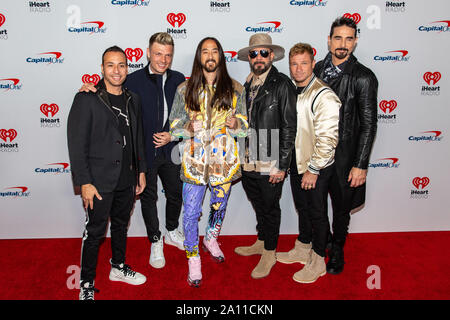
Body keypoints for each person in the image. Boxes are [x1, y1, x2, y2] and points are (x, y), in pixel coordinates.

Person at [79, 33, 186, 269]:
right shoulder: (133, 78)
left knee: (176, 193)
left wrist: (174, 134)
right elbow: (109, 88)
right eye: (158, 54)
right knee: (148, 197)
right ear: (148, 53)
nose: (163, 59)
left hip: (172, 149)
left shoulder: (179, 79)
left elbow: (188, 113)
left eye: (168, 55)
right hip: (144, 152)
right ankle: (155, 239)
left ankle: (171, 229)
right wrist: (91, 87)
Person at [67, 46, 147, 300]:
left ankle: (118, 267)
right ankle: (86, 283)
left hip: (127, 177)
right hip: (99, 180)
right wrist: (84, 182)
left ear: (127, 68)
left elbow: (138, 138)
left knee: (121, 226)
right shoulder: (87, 98)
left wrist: (141, 171)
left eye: (121, 65)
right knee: (94, 232)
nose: (116, 70)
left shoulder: (133, 98)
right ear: (101, 68)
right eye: (110, 65)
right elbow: (76, 144)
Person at [169, 37, 248, 287]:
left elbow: (246, 128)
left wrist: (238, 125)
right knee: (191, 213)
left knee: (218, 206)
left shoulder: (236, 89)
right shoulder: (185, 89)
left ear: (221, 56)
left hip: (223, 164)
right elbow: (173, 126)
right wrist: (187, 127)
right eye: (205, 51)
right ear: (199, 57)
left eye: (214, 51)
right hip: (193, 164)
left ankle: (211, 238)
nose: (210, 55)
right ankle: (193, 257)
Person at [314, 17, 378, 275]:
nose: (343, 44)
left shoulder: (363, 77)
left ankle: (338, 249)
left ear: (355, 41)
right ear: (329, 41)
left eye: (349, 38)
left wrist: (360, 165)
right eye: (338, 38)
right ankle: (325, 238)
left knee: (341, 209)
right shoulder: (317, 68)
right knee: (316, 204)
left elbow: (369, 125)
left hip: (345, 157)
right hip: (318, 154)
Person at [276, 43, 341, 283]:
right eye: (294, 63)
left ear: (313, 64)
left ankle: (318, 260)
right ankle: (303, 246)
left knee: (317, 213)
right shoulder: (295, 89)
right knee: (303, 208)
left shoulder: (323, 94)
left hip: (316, 167)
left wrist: (314, 169)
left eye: (304, 63)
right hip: (298, 163)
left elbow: (328, 139)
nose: (299, 68)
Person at [234, 33, 297, 279]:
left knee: (270, 207)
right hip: (249, 157)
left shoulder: (282, 84)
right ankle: (262, 240)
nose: (258, 57)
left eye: (263, 52)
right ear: (249, 58)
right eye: (253, 53)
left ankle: (270, 252)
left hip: (270, 159)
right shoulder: (249, 84)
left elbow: (289, 127)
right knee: (258, 203)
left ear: (271, 55)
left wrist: (282, 165)